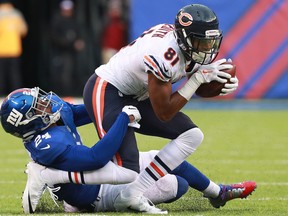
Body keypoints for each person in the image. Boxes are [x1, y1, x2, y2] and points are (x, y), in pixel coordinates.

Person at [82, 3, 252, 213]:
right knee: (127, 168)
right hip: (108, 91)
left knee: (192, 135)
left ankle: (133, 194)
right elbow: (164, 113)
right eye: (202, 42)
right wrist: (198, 79)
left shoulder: (184, 45)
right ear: (185, 38)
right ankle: (68, 189)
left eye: (210, 42)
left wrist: (214, 83)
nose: (208, 48)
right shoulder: (164, 54)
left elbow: (192, 81)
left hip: (137, 95)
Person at [0, 87, 256, 214]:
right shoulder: (45, 144)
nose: (46, 103)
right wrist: (124, 118)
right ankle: (53, 181)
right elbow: (95, 157)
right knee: (177, 185)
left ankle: (217, 192)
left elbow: (86, 110)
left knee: (165, 158)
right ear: (28, 122)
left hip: (98, 172)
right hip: (92, 194)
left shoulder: (52, 118)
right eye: (38, 107)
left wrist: (116, 96)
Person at [50, 0, 85, 95]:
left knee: (73, 73)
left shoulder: (74, 21)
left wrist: (78, 42)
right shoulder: (57, 20)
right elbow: (54, 37)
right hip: (60, 53)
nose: (67, 12)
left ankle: (71, 94)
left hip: (73, 53)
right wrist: (69, 43)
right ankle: (63, 95)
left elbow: (78, 36)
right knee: (62, 75)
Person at [0, 0, 28, 95]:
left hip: (1, 50)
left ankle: (1, 95)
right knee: (15, 75)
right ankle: (17, 95)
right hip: (14, 49)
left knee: (1, 74)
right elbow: (24, 30)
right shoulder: (16, 14)